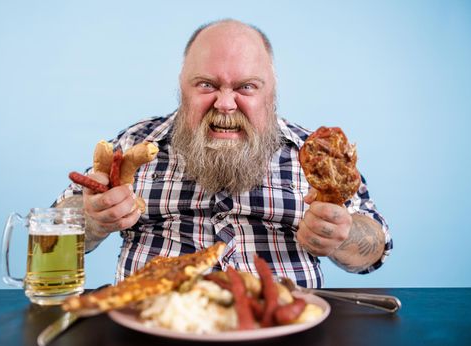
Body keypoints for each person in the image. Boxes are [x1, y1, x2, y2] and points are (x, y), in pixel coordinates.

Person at [56, 19, 392, 287]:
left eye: (246, 86)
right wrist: (94, 219)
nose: (225, 104)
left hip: (284, 328)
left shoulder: (317, 155)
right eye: (206, 85)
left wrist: (342, 237)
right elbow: (55, 232)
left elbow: (375, 247)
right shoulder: (136, 143)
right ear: (181, 86)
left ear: (271, 90)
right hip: (152, 322)